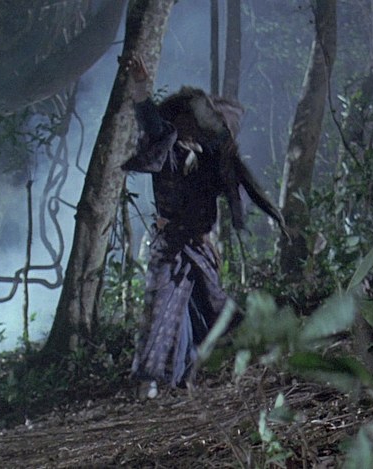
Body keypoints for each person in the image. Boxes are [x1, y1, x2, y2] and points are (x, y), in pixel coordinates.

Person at [120, 55, 286, 397]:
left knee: (209, 311)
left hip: (200, 248)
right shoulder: (166, 149)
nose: (190, 126)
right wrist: (140, 87)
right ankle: (156, 379)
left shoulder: (210, 159)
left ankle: (196, 370)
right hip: (171, 246)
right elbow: (150, 121)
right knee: (163, 308)